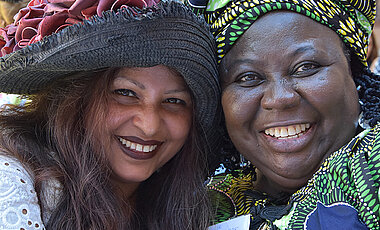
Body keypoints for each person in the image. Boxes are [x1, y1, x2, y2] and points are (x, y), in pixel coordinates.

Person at [0, 0, 220, 229]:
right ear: (75, 98)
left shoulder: (189, 206)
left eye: (174, 101)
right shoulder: (13, 181)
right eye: (125, 93)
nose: (149, 126)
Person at [186, 0, 380, 229]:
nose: (279, 98)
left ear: (353, 70)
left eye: (306, 66)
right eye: (248, 77)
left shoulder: (370, 167)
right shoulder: (195, 206)